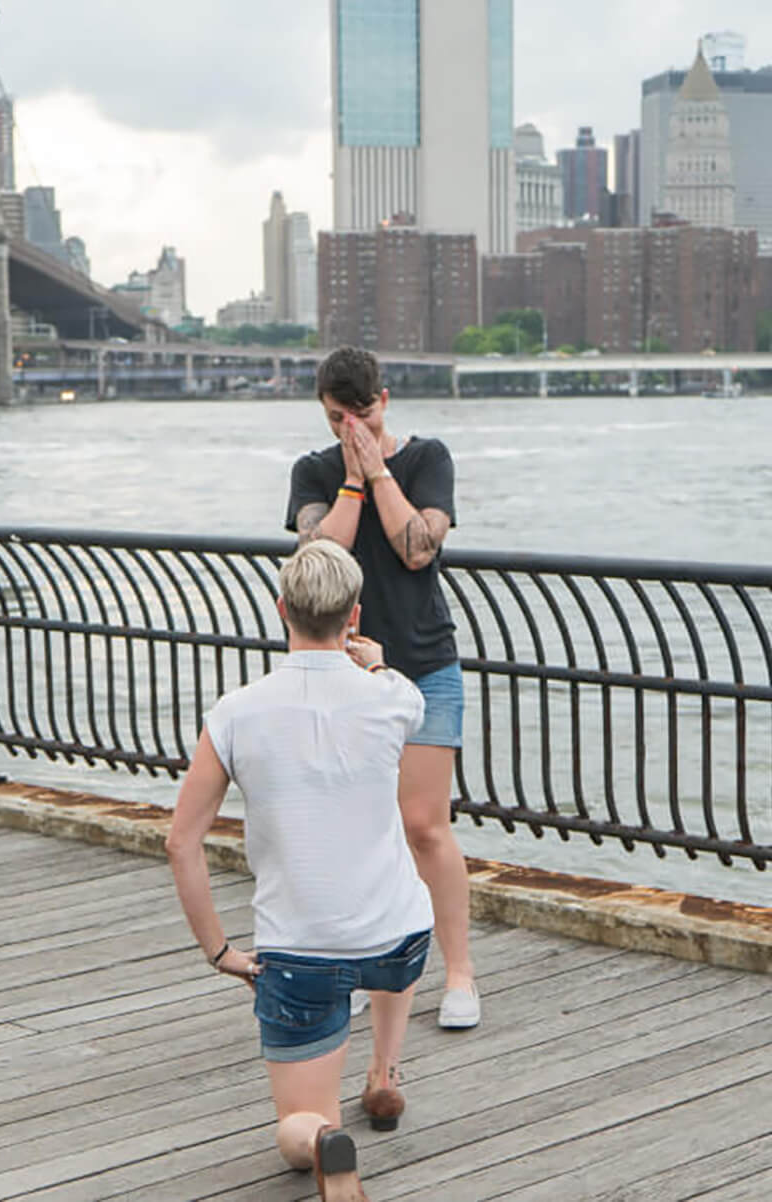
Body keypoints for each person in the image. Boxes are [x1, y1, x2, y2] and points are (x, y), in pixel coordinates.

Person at [166, 540, 433, 1201]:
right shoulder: (393, 697)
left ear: (282, 608)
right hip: (399, 941)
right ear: (355, 614)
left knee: (297, 1125)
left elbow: (182, 842)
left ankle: (323, 1143)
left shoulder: (236, 712)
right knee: (392, 904)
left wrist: (219, 951)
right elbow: (391, 697)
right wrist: (376, 664)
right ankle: (384, 1072)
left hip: (300, 952)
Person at [285, 346, 479, 1031]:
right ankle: (371, 964)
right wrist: (352, 482)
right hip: (344, 674)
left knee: (425, 826)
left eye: (362, 413)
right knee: (358, 827)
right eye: (339, 417)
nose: (352, 427)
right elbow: (320, 559)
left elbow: (417, 548)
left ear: (384, 400)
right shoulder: (313, 472)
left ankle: (459, 974)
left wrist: (380, 470)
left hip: (424, 663)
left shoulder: (428, 461)